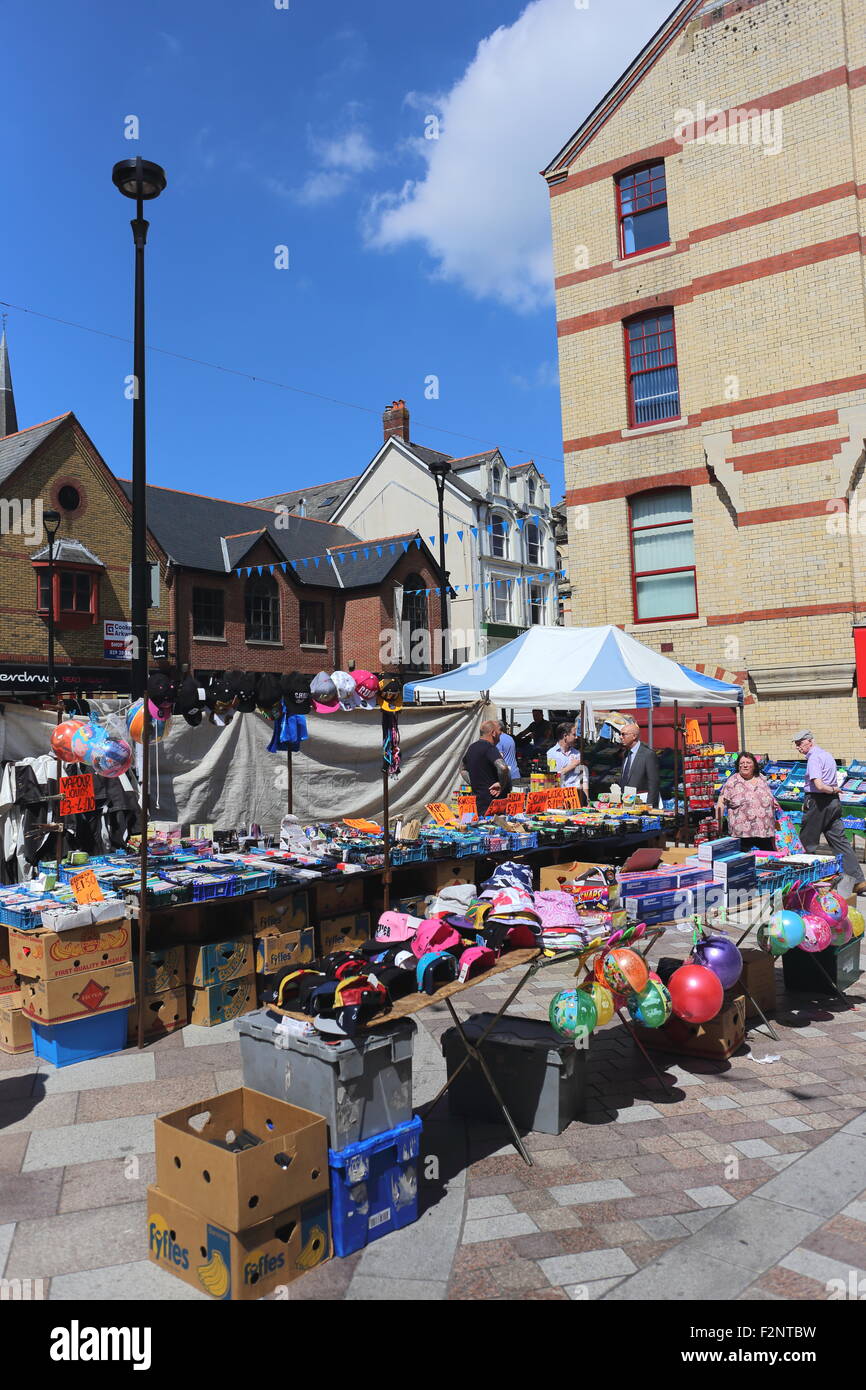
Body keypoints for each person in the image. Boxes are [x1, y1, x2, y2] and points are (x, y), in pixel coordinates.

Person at [793, 729, 866, 891]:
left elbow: (819, 785)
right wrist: (834, 791)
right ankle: (858, 881)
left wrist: (833, 790)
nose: (797, 747)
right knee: (840, 842)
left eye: (800, 743)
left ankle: (803, 883)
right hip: (833, 804)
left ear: (809, 741)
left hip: (818, 802)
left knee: (806, 842)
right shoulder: (827, 755)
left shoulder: (813, 758)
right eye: (796, 744)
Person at [716, 751, 778, 849]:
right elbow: (721, 802)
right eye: (742, 763)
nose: (745, 765)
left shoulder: (761, 778)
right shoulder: (732, 781)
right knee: (743, 861)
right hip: (742, 833)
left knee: (768, 858)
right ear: (738, 766)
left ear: (754, 765)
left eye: (748, 763)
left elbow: (768, 795)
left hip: (764, 830)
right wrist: (718, 824)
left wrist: (772, 801)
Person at [463, 720, 509, 815]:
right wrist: (501, 784)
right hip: (492, 802)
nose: (499, 739)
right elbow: (503, 767)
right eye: (499, 735)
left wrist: (473, 782)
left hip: (477, 801)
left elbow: (462, 769)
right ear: (493, 733)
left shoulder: (472, 748)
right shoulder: (490, 748)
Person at [619, 718, 661, 807]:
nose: (620, 737)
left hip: (642, 803)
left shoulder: (648, 754)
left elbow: (653, 783)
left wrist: (650, 806)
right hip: (626, 803)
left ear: (634, 736)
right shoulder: (626, 754)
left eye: (623, 734)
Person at [547, 722, 588, 791]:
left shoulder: (577, 753)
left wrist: (586, 798)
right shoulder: (552, 754)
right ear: (565, 736)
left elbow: (583, 779)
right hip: (560, 795)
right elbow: (552, 778)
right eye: (574, 735)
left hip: (575, 795)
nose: (576, 737)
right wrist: (572, 766)